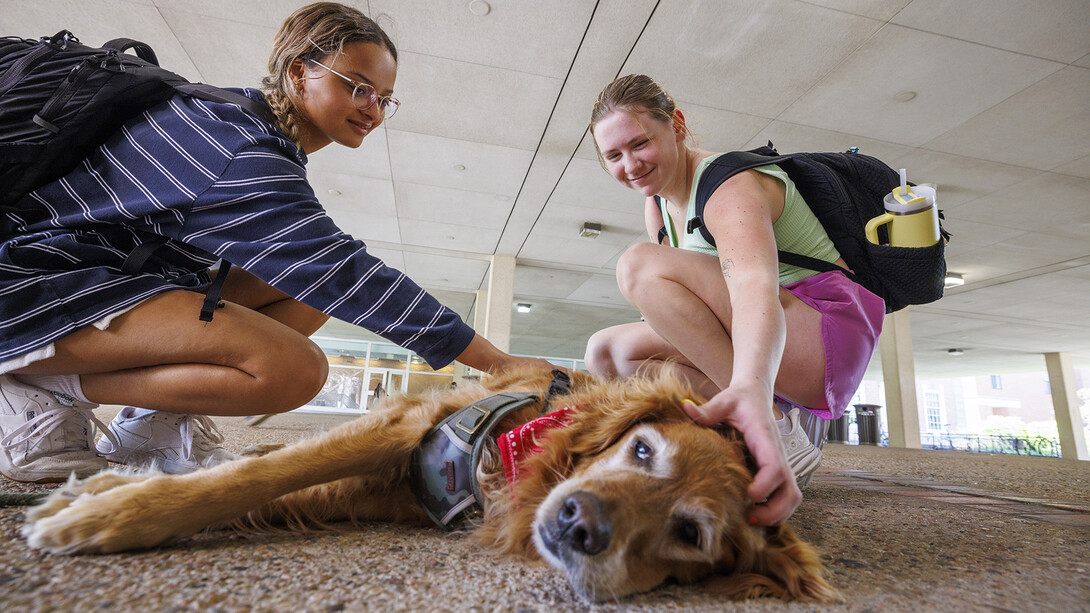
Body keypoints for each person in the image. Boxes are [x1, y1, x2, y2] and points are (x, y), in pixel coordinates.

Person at [0, 2, 554, 483]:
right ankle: (36, 388)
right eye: (357, 86)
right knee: (292, 370)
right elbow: (344, 271)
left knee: (305, 292)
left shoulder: (245, 128)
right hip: (35, 288)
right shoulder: (239, 143)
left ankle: (149, 426)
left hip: (106, 279)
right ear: (300, 72)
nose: (373, 108)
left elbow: (320, 276)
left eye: (385, 98)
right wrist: (497, 361)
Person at [583, 75, 885, 526]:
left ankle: (774, 423)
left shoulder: (729, 186)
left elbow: (751, 287)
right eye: (614, 155)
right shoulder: (658, 209)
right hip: (773, 340)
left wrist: (754, 388)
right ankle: (741, 446)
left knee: (638, 267)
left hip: (824, 335)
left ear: (677, 126)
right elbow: (689, 317)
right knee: (608, 354)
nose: (631, 164)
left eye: (640, 143)